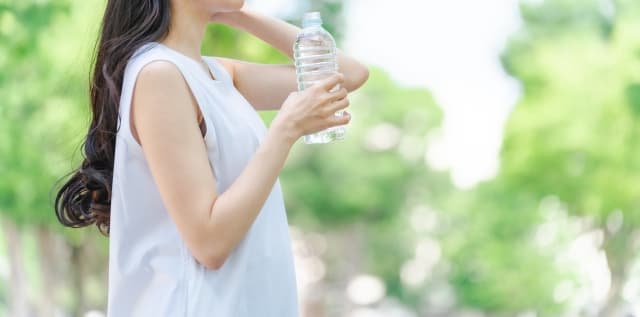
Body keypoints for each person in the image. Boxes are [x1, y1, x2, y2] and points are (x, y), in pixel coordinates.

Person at [54, 0, 369, 316]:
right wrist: (285, 129)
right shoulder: (159, 75)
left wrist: (239, 15)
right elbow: (209, 243)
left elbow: (348, 75)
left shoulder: (216, 74)